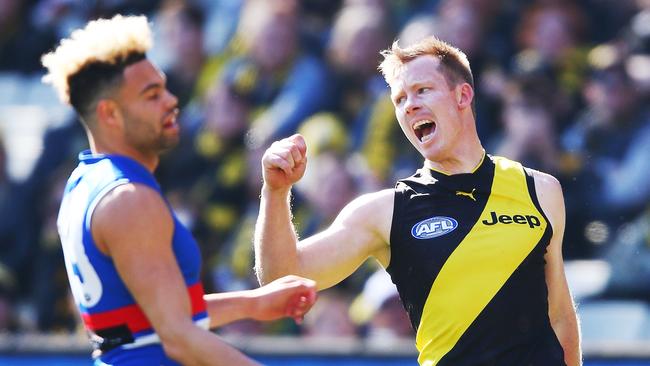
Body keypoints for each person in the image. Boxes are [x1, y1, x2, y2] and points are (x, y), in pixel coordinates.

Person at [254, 36, 581, 365]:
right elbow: (281, 278)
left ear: (462, 95)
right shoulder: (385, 212)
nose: (409, 105)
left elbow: (560, 317)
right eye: (399, 99)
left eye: (422, 90)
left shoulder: (540, 189)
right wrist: (276, 193)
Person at [42, 15, 317, 366]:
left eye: (166, 88)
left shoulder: (85, 181)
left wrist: (252, 304)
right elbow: (178, 338)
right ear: (110, 113)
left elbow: (142, 320)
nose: (172, 101)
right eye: (152, 95)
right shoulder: (130, 199)